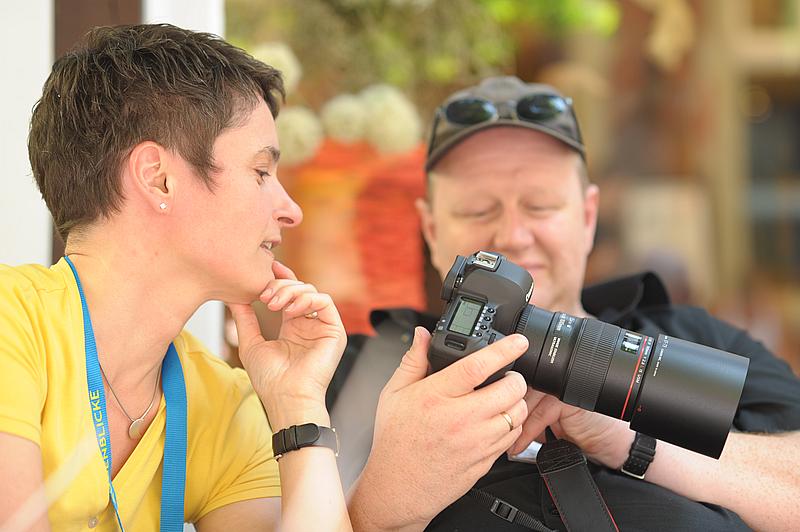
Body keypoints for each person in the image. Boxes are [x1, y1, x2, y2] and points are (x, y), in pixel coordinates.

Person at [0, 24, 531, 531]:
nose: (291, 210)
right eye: (261, 172)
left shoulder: (224, 401)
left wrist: (298, 406)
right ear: (159, 179)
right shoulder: (10, 322)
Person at [337, 76, 800, 531]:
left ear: (588, 217)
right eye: (477, 210)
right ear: (432, 231)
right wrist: (388, 491)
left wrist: (638, 443)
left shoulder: (692, 337)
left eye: (540, 206)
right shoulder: (359, 373)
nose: (512, 236)